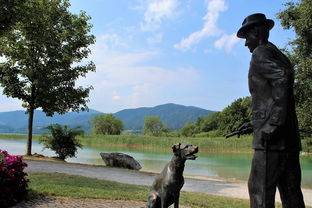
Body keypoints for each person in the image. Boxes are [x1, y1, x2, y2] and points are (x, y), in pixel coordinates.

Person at [236, 13, 305, 208]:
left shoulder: (260, 52)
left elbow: (282, 78)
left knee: (260, 192)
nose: (245, 44)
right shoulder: (278, 53)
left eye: (247, 37)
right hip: (288, 140)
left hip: (271, 142)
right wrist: (254, 123)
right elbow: (272, 96)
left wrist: (272, 124)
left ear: (257, 33)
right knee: (291, 194)